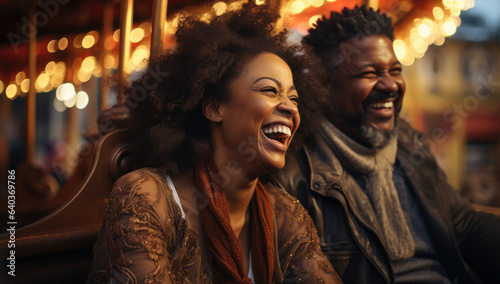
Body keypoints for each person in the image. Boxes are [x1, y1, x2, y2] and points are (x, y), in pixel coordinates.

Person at [87, 3, 342, 283]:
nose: (290, 109)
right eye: (270, 90)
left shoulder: (283, 212)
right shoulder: (145, 197)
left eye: (293, 98)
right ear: (213, 108)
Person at [266, 5, 500, 284]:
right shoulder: (291, 167)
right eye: (369, 73)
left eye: (395, 70)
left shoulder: (409, 143)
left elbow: (462, 224)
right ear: (323, 85)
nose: (390, 85)